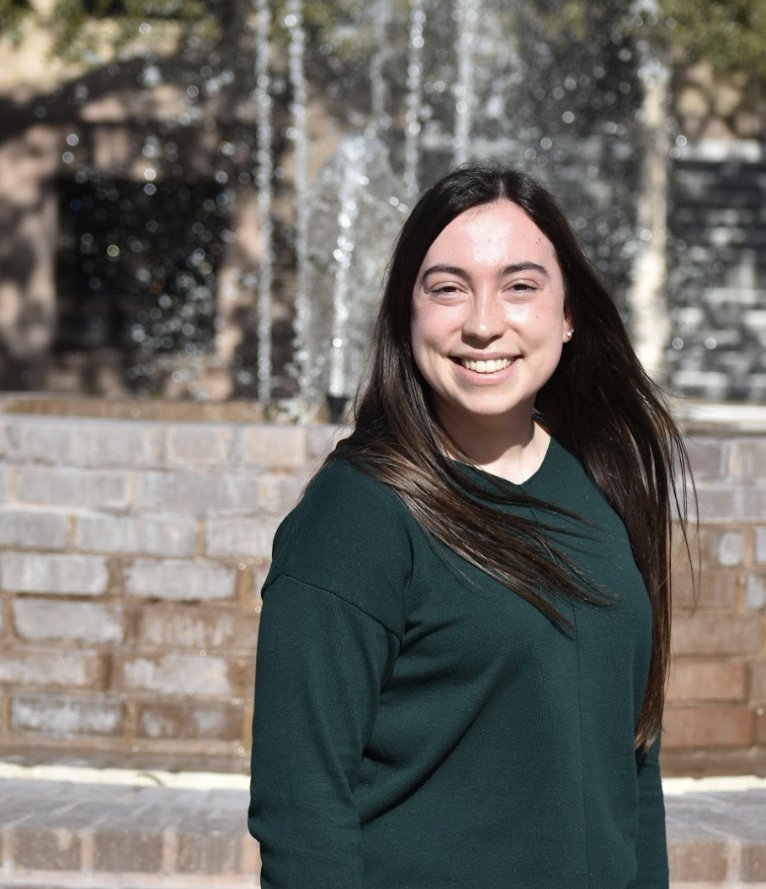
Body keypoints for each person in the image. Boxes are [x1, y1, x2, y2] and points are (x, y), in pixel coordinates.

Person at [248, 163, 692, 888]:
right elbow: (302, 808)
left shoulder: (606, 483)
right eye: (448, 288)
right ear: (407, 314)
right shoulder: (357, 514)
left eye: (520, 286)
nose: (484, 323)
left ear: (569, 313)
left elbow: (634, 759)